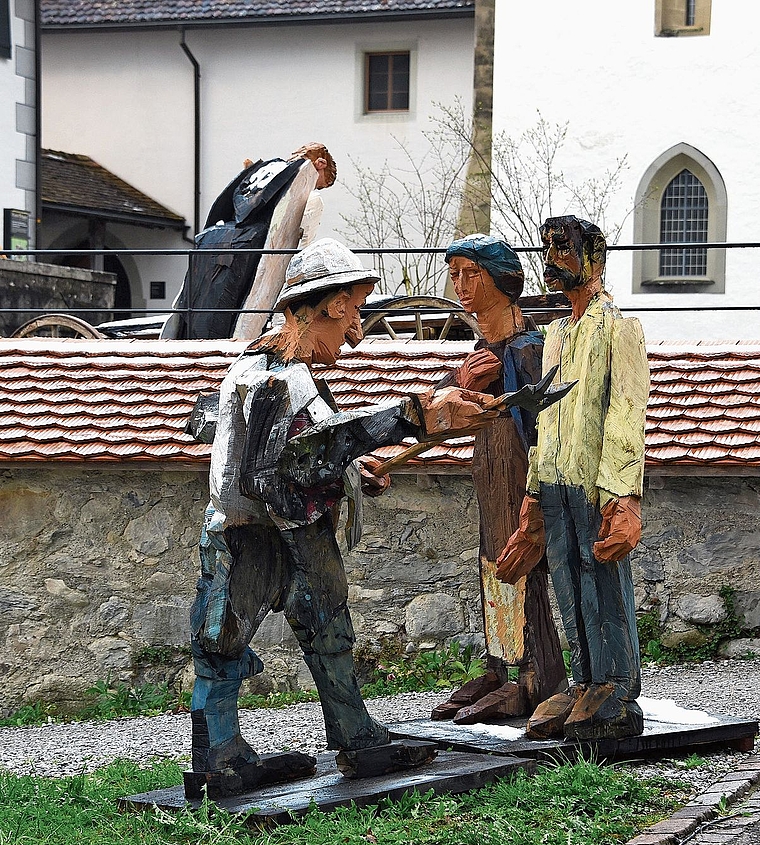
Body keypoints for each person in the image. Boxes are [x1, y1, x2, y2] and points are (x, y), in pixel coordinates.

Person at [188, 238, 504, 792]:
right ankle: (349, 738)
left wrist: (352, 470)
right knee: (318, 624)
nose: (354, 330)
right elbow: (299, 452)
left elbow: (221, 429)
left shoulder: (247, 367)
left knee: (226, 638)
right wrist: (416, 416)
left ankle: (223, 752)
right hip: (277, 529)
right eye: (354, 310)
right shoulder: (287, 378)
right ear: (332, 307)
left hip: (233, 526)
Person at [497, 216, 650, 741]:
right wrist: (533, 495)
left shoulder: (619, 329)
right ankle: (583, 678)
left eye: (563, 247)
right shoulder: (557, 335)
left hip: (596, 485)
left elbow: (626, 412)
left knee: (601, 577)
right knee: (565, 577)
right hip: (557, 483)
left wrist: (624, 496)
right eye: (547, 248)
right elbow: (546, 416)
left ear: (595, 256)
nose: (552, 257)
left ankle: (618, 685)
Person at [431, 235, 567, 724]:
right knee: (491, 562)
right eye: (456, 275)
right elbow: (432, 410)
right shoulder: (477, 352)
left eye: (473, 273)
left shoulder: (530, 348)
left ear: (501, 279)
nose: (462, 285)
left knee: (520, 564)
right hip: (489, 476)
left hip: (524, 478)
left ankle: (537, 675)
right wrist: (461, 386)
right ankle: (500, 667)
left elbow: (545, 419)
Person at [164, 143, 337, 340]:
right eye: (320, 184)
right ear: (320, 164)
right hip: (249, 248)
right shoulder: (306, 191)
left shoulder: (267, 170)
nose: (316, 188)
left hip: (214, 239)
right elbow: (302, 245)